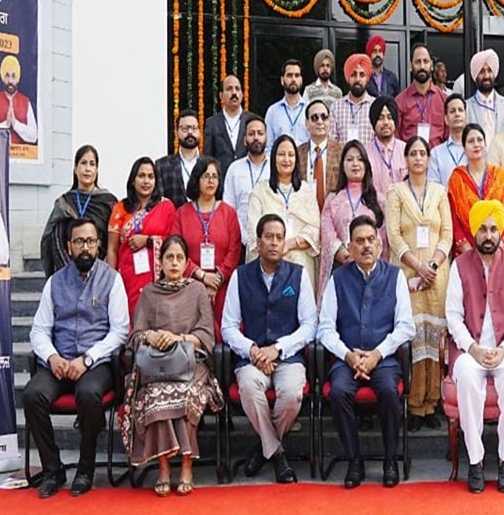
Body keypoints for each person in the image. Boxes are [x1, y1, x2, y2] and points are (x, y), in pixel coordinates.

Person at [24, 218, 129, 498]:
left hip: (96, 364)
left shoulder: (112, 279)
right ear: (69, 247)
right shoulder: (54, 282)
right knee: (33, 394)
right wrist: (53, 357)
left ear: (98, 245)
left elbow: (120, 332)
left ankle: (85, 469)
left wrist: (88, 359)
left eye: (91, 241)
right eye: (80, 242)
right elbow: (39, 330)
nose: (85, 248)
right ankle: (52, 469)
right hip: (59, 362)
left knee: (88, 393)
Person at [317, 215, 416, 488]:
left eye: (371, 240)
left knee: (387, 389)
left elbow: (406, 327)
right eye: (359, 241)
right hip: (346, 358)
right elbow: (325, 329)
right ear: (349, 247)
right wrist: (348, 355)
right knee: (338, 392)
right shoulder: (338, 279)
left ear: (380, 244)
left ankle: (389, 459)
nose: (366, 246)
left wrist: (377, 355)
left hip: (383, 360)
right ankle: (354, 460)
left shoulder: (395, 276)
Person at [122, 235, 223, 496]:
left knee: (186, 395)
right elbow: (135, 336)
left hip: (191, 364)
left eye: (180, 258)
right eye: (169, 257)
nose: (175, 263)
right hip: (158, 366)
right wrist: (151, 336)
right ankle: (164, 467)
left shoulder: (197, 290)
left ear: (188, 262)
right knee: (154, 396)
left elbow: (207, 335)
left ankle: (187, 464)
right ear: (161, 261)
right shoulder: (150, 293)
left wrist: (180, 338)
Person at [222, 213, 317, 484]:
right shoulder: (241, 276)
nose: (274, 243)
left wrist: (278, 348)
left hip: (288, 357)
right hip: (251, 358)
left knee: (290, 396)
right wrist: (253, 350)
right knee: (250, 389)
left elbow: (309, 325)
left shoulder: (298, 275)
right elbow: (228, 326)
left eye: (279, 237)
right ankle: (277, 455)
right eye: (269, 237)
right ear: (258, 242)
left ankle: (263, 449)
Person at [446, 199, 504, 493]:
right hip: (471, 350)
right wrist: (473, 348)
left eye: (494, 229)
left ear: (500, 231)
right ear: (474, 232)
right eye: (482, 229)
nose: (489, 235)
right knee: (468, 378)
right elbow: (453, 316)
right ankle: (475, 460)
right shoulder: (459, 265)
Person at [385, 137, 453, 431]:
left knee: (435, 338)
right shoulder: (395, 192)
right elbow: (393, 235)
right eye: (412, 153)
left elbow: (447, 233)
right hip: (407, 273)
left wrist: (434, 265)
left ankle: (432, 403)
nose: (417, 158)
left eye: (422, 153)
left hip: (438, 275)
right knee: (413, 337)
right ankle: (413, 405)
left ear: (428, 159)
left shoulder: (439, 191)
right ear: (406, 159)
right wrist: (418, 266)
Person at [172, 157, 243, 338]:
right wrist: (202, 276)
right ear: (197, 179)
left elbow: (234, 250)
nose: (211, 180)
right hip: (190, 286)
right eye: (206, 176)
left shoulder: (229, 213)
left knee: (224, 335)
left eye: (214, 176)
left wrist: (217, 279)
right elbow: (175, 252)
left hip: (223, 287)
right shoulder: (182, 213)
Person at [247, 135, 322, 295]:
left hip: (301, 264)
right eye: (281, 154)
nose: (286, 159)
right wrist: (275, 248)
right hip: (268, 265)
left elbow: (315, 229)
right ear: (273, 158)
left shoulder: (305, 190)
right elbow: (254, 234)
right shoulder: (260, 191)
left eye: (291, 154)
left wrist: (289, 244)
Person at [107, 157, 178, 314]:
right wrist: (111, 281)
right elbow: (112, 249)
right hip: (127, 276)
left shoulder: (166, 207)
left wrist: (148, 240)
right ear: (133, 180)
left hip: (158, 278)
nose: (146, 181)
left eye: (150, 176)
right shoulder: (120, 208)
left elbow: (175, 244)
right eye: (141, 176)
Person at [319, 141, 387, 293]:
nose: (355, 164)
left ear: (366, 165)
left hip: (372, 270)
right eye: (349, 159)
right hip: (342, 268)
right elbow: (327, 232)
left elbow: (382, 235)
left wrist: (365, 254)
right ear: (342, 165)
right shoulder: (333, 199)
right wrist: (345, 254)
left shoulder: (379, 200)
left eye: (360, 159)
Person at [40, 145, 118, 277]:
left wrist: (98, 270)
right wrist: (70, 272)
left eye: (92, 164)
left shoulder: (108, 202)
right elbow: (57, 240)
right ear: (75, 168)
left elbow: (113, 242)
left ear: (97, 170)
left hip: (99, 273)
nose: (87, 169)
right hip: (68, 274)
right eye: (83, 163)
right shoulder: (64, 202)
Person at [448, 124, 504, 259]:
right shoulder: (457, 178)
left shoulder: (500, 176)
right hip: (466, 252)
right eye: (471, 141)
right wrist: (470, 253)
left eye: (479, 140)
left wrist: (499, 246)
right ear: (464, 148)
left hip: (497, 249)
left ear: (485, 144)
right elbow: (455, 220)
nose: (476, 144)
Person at [222, 115, 271, 247]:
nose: (256, 137)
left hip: (271, 242)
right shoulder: (234, 169)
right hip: (240, 241)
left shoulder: (275, 167)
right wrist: (244, 237)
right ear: (244, 140)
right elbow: (229, 208)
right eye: (251, 134)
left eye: (260, 133)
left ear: (266, 138)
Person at [203, 75, 256, 180]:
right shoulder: (212, 123)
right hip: (221, 184)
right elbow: (208, 158)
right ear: (221, 95)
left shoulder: (252, 120)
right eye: (229, 89)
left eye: (237, 89)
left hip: (247, 181)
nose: (234, 93)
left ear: (242, 94)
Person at [395, 43, 446, 147]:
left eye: (425, 61)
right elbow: (396, 138)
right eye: (418, 62)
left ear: (431, 65)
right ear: (410, 66)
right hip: (410, 161)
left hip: (437, 161)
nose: (422, 66)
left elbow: (448, 135)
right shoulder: (400, 101)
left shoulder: (444, 100)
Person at [0, 55, 38, 146]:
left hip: (21, 157)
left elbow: (34, 136)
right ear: (2, 77)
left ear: (18, 78)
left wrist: (15, 124)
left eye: (13, 76)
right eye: (7, 76)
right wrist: (6, 125)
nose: (10, 81)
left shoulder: (26, 102)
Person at [154, 110, 202, 208]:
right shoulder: (162, 166)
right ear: (176, 132)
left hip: (205, 222)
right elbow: (159, 203)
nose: (190, 132)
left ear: (200, 132)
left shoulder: (210, 165)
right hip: (174, 221)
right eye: (185, 129)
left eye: (194, 128)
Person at [300, 99, 339, 212]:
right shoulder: (298, 153)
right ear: (307, 123)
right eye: (314, 118)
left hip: (334, 215)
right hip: (305, 216)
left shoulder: (342, 152)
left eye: (324, 117)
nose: (320, 121)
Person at [330, 53, 376, 149]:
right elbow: (332, 143)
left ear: (367, 78)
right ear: (348, 78)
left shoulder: (375, 106)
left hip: (369, 162)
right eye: (353, 74)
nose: (357, 79)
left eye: (362, 75)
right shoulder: (336, 107)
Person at [464, 49, 504, 146]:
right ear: (475, 76)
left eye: (489, 71)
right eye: (482, 72)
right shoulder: (466, 107)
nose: (486, 76)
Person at [265, 59, 310, 146]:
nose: (293, 79)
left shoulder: (309, 110)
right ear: (282, 80)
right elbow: (268, 146)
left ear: (301, 80)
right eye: (289, 75)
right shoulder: (272, 112)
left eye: (297, 75)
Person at [368, 96, 407, 196]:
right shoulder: (365, 152)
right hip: (373, 209)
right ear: (373, 122)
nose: (386, 122)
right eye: (380, 118)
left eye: (389, 117)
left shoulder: (406, 150)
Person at [428, 94, 468, 184]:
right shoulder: (436, 154)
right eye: (452, 111)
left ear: (466, 117)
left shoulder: (477, 149)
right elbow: (433, 189)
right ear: (446, 119)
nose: (457, 114)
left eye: (460, 110)